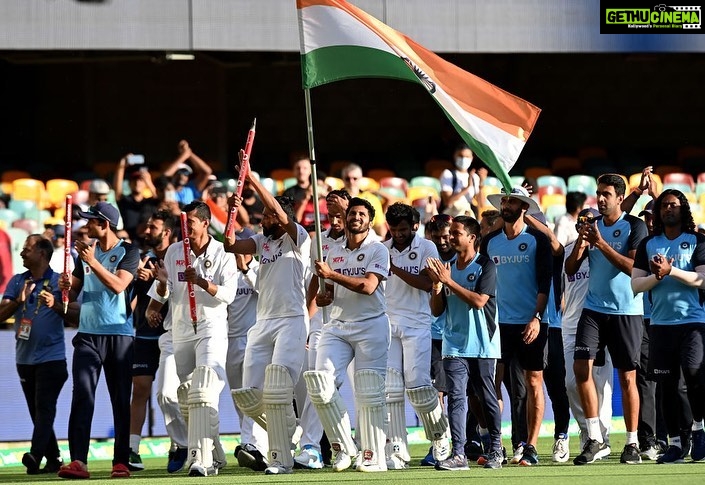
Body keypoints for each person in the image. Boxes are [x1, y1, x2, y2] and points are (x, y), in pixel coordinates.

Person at [226, 159, 311, 475]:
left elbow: (276, 207)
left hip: (291, 320)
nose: (262, 220)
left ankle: (284, 452)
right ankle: (253, 445)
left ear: (283, 217)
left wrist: (250, 178)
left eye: (268, 215)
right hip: (262, 324)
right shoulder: (261, 242)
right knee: (252, 390)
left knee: (278, 388)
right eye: (261, 216)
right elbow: (230, 244)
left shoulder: (298, 238)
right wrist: (232, 213)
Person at [146, 201, 237, 476]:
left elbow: (228, 295)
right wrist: (162, 283)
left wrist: (200, 282)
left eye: (190, 224)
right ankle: (216, 453)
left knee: (204, 390)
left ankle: (202, 460)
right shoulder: (174, 251)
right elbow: (166, 292)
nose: (185, 229)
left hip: (211, 329)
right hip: (181, 331)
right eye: (182, 224)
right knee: (187, 397)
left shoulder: (224, 253)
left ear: (205, 223)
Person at [566, 173, 648, 465]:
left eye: (606, 194)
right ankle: (594, 438)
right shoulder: (592, 226)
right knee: (580, 370)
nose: (600, 199)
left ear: (619, 197)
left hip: (627, 311)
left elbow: (634, 269)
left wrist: (600, 244)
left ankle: (632, 443)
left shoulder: (635, 226)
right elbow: (570, 268)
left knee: (627, 378)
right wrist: (582, 242)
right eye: (598, 193)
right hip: (594, 309)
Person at [304, 197, 391, 472]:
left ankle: (373, 454)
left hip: (371, 325)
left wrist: (332, 275)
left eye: (361, 214)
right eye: (352, 213)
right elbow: (326, 292)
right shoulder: (333, 252)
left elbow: (368, 287)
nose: (355, 217)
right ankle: (344, 448)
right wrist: (323, 296)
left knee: (368, 393)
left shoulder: (378, 250)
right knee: (321, 385)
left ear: (370, 220)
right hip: (337, 327)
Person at [57, 201, 141, 479]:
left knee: (120, 399)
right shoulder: (85, 255)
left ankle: (120, 462)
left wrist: (93, 262)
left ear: (104, 224)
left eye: (90, 221)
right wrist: (65, 284)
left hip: (119, 335)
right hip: (88, 336)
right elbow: (75, 288)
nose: (85, 225)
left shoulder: (129, 251)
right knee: (82, 395)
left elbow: (119, 286)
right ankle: (78, 461)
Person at [632, 189, 705, 463]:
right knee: (667, 385)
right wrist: (658, 277)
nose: (667, 209)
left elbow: (703, 280)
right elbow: (636, 285)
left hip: (693, 322)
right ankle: (675, 443)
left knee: (695, 378)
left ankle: (699, 430)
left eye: (673, 205)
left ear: (683, 209)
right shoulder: (648, 244)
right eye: (663, 206)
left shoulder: (696, 241)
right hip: (660, 324)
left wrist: (671, 271)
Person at [481, 186, 552, 466]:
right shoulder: (490, 242)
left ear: (524, 207)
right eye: (504, 201)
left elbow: (545, 283)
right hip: (497, 324)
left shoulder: (537, 240)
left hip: (530, 322)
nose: (506, 205)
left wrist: (536, 318)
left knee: (534, 382)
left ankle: (531, 447)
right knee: (492, 384)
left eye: (512, 201)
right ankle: (497, 446)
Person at [427, 215, 504, 470]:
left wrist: (448, 281)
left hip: (482, 344)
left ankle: (495, 448)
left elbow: (480, 301)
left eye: (456, 233)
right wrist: (438, 285)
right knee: (457, 398)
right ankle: (458, 453)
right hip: (454, 344)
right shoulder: (446, 266)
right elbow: (437, 311)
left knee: (486, 397)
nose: (450, 237)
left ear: (471, 238)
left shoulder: (486, 265)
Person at [0, 235, 75, 475]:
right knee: (37, 411)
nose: (21, 253)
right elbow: (0, 315)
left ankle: (35, 454)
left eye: (26, 249)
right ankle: (54, 459)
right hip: (24, 359)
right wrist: (16, 303)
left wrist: (56, 303)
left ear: (42, 253)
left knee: (44, 407)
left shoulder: (59, 282)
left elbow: (75, 317)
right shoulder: (17, 281)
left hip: (52, 358)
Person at [383, 202, 450, 469]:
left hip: (417, 323)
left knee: (419, 385)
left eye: (402, 229)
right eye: (393, 229)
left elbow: (427, 284)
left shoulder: (427, 247)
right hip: (387, 324)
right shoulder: (381, 248)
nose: (398, 234)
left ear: (414, 226)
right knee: (390, 389)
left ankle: (440, 436)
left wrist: (395, 269)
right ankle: (397, 450)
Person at [293, 189, 350, 470]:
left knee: (366, 391)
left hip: (360, 323)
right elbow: (315, 283)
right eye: (330, 212)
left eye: (340, 212)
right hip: (324, 323)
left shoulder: (369, 241)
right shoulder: (319, 241)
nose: (334, 218)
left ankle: (367, 446)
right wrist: (308, 319)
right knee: (318, 383)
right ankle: (311, 447)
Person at [126, 210, 179, 472]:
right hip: (146, 335)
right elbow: (131, 304)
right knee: (141, 389)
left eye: (153, 227)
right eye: (148, 226)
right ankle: (132, 449)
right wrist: (138, 279)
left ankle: (176, 444)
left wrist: (159, 283)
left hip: (175, 334)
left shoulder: (179, 258)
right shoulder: (143, 260)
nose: (147, 231)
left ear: (167, 232)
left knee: (174, 392)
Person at [562, 208, 614, 459]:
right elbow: (568, 276)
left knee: (601, 383)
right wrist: (580, 246)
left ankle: (600, 437)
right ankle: (588, 432)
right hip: (571, 324)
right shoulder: (567, 252)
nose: (587, 225)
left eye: (591, 221)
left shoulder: (605, 250)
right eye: (582, 222)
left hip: (600, 321)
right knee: (572, 383)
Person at [224, 228, 270, 470]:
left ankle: (252, 444)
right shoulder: (226, 270)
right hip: (230, 341)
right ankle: (252, 448)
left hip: (255, 339)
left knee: (254, 395)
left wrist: (245, 269)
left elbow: (266, 293)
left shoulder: (261, 268)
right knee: (240, 398)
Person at [114, 156, 158, 242]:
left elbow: (158, 197)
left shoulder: (149, 202)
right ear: (129, 184)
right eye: (134, 180)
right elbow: (117, 190)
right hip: (128, 241)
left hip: (147, 241)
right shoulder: (125, 200)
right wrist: (121, 165)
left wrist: (148, 181)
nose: (137, 183)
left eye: (141, 180)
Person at [161, 140, 213, 206]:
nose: (182, 176)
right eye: (179, 172)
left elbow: (207, 171)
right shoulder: (168, 188)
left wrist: (189, 152)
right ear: (174, 174)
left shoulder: (191, 188)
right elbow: (164, 176)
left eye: (186, 173)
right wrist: (184, 155)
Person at [438, 144, 485, 217]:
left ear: (472, 158)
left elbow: (481, 204)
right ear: (455, 156)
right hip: (451, 216)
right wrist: (467, 187)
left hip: (468, 216)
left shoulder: (474, 177)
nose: (463, 159)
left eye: (467, 157)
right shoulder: (448, 174)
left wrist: (481, 184)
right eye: (461, 156)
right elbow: (448, 202)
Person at [340, 163, 386, 237]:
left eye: (355, 178)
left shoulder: (372, 199)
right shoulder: (337, 198)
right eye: (347, 179)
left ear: (361, 179)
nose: (351, 182)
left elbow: (379, 225)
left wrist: (383, 239)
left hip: (367, 236)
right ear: (343, 179)